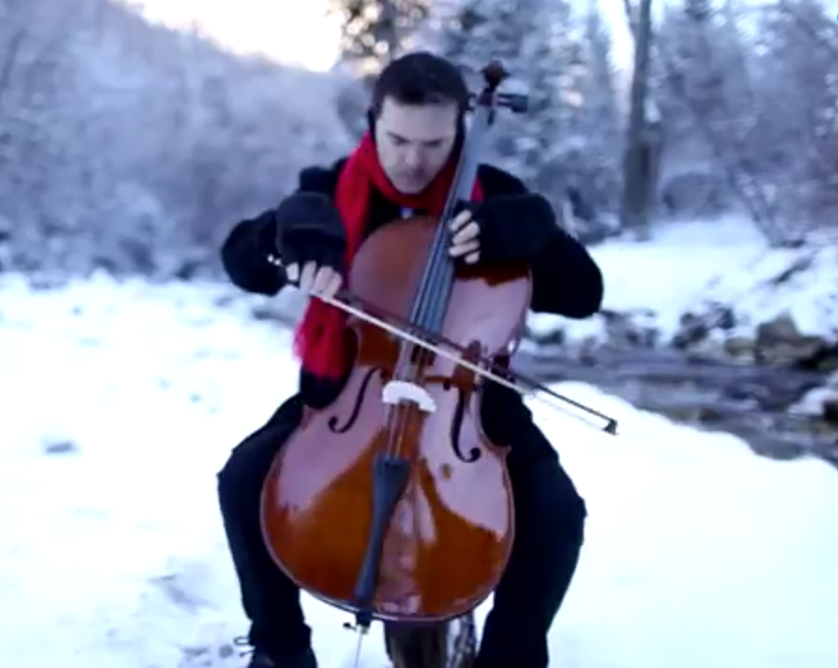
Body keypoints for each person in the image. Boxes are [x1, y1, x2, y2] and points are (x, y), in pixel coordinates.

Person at [216, 51, 604, 668]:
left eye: (433, 144)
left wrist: (535, 237)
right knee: (243, 480)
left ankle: (510, 657)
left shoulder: (494, 199)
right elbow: (241, 262)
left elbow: (585, 294)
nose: (414, 161)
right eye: (398, 140)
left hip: (470, 407)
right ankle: (280, 647)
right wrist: (279, 236)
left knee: (556, 515)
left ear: (460, 131)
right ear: (374, 121)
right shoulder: (329, 192)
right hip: (350, 396)